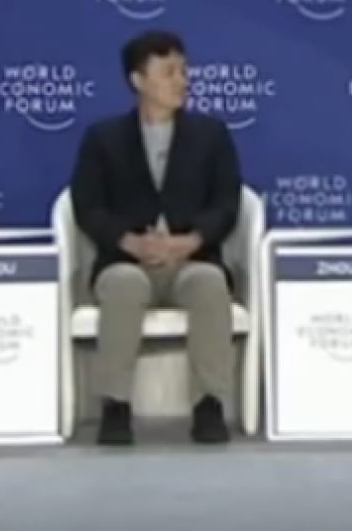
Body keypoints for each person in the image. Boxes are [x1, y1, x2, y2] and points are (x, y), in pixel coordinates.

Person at [69, 29, 242, 446]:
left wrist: (190, 242)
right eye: (168, 72)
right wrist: (129, 242)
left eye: (183, 71)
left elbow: (226, 203)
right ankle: (115, 405)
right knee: (123, 285)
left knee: (209, 284)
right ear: (138, 80)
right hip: (127, 259)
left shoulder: (211, 135)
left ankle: (208, 404)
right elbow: (88, 206)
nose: (182, 80)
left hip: (191, 258)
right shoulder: (103, 139)